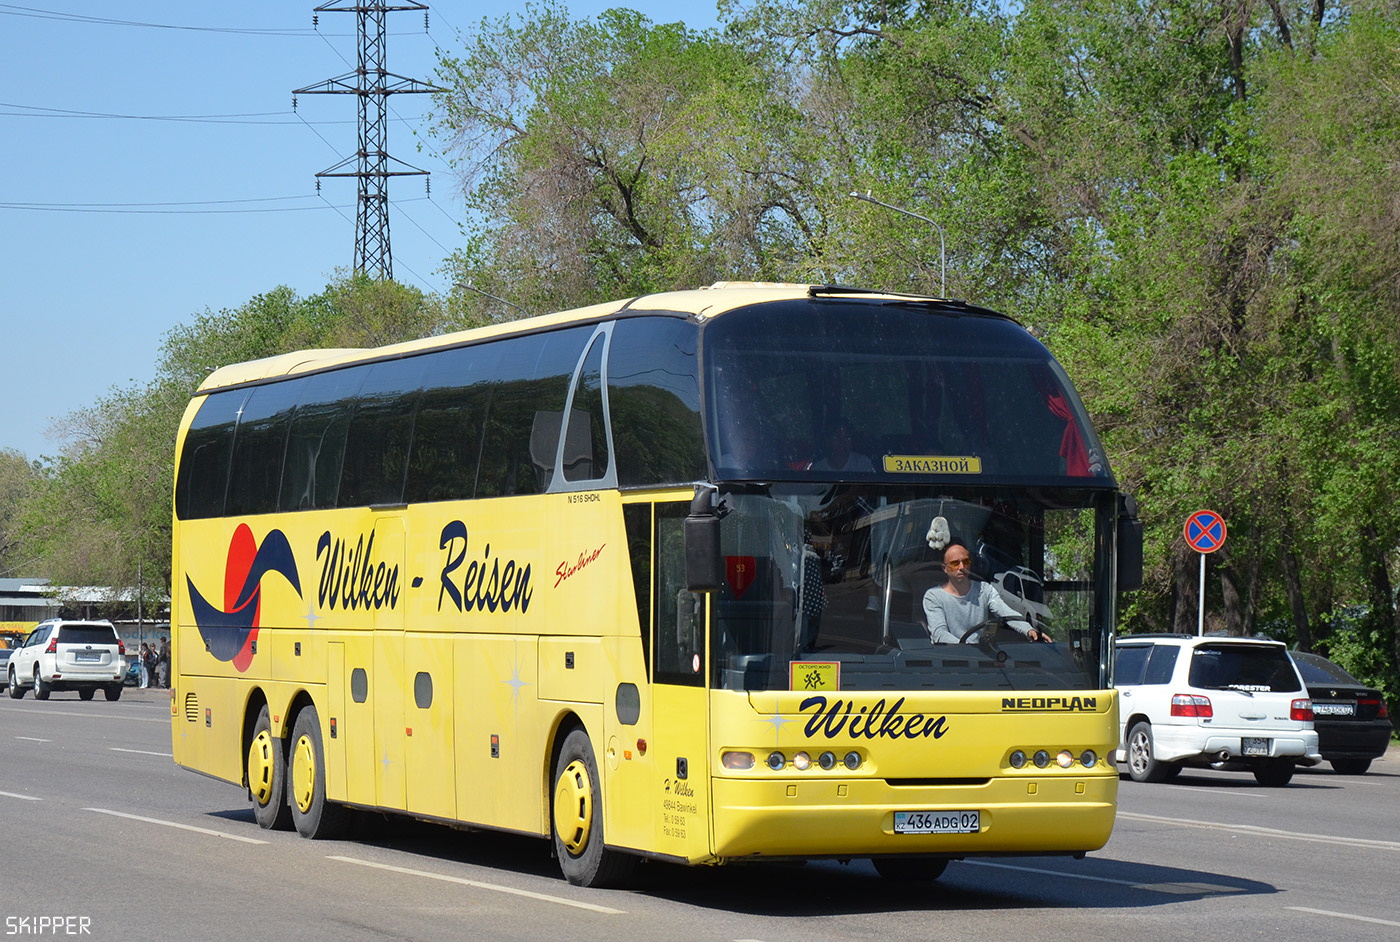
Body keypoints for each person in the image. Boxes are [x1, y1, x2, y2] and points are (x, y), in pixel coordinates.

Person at [922, 541, 1050, 644]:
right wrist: (965, 649)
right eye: (955, 563)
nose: (962, 567)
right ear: (945, 568)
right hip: (949, 662)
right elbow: (940, 633)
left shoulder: (984, 590)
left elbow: (1005, 612)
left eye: (965, 562)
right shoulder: (933, 596)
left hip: (980, 659)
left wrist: (1029, 630)